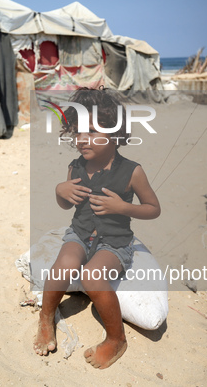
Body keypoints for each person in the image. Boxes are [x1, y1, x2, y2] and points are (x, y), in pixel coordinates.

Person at [33, 88, 161, 369]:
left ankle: (116, 339)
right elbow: (66, 206)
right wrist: (60, 190)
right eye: (77, 132)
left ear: (115, 134)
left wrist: (123, 208)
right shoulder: (75, 167)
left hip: (114, 242)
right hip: (78, 234)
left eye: (91, 131)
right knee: (63, 265)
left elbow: (153, 208)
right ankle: (45, 317)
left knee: (92, 277)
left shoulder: (132, 171)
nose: (81, 139)